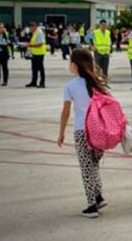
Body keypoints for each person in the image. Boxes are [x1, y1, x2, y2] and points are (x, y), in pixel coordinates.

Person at [56, 49, 109, 218]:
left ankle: (91, 206)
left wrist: (61, 132)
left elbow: (65, 112)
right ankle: (98, 196)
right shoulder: (98, 82)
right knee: (93, 164)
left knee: (86, 168)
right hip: (99, 130)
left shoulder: (70, 86)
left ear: (74, 64)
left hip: (81, 130)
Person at [25, 22, 46, 88]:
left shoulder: (39, 33)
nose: (30, 29)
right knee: (34, 68)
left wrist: (30, 45)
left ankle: (42, 83)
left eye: (30, 28)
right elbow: (34, 42)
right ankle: (34, 82)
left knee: (40, 68)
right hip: (34, 53)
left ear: (34, 27)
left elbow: (40, 44)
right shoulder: (35, 33)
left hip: (39, 53)